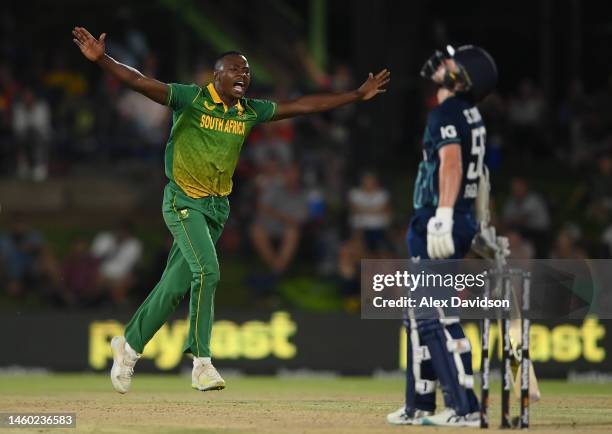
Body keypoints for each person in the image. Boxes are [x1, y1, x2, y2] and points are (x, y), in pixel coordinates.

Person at [72, 26, 390, 394]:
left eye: (248, 72)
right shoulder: (191, 98)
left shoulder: (249, 111)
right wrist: (103, 60)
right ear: (217, 75)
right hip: (183, 201)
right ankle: (201, 362)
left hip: (216, 209)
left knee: (175, 285)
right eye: (236, 70)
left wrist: (354, 95)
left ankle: (128, 345)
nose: (244, 75)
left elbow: (303, 106)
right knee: (207, 271)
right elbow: (141, 83)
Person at [387, 45, 497, 427]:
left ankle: (465, 407)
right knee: (417, 318)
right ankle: (419, 403)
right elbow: (479, 175)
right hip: (454, 217)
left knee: (434, 316)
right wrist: (475, 220)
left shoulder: (446, 113)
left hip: (440, 218)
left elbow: (451, 162)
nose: (443, 64)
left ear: (465, 77)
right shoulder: (470, 113)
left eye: (452, 63)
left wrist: (445, 215)